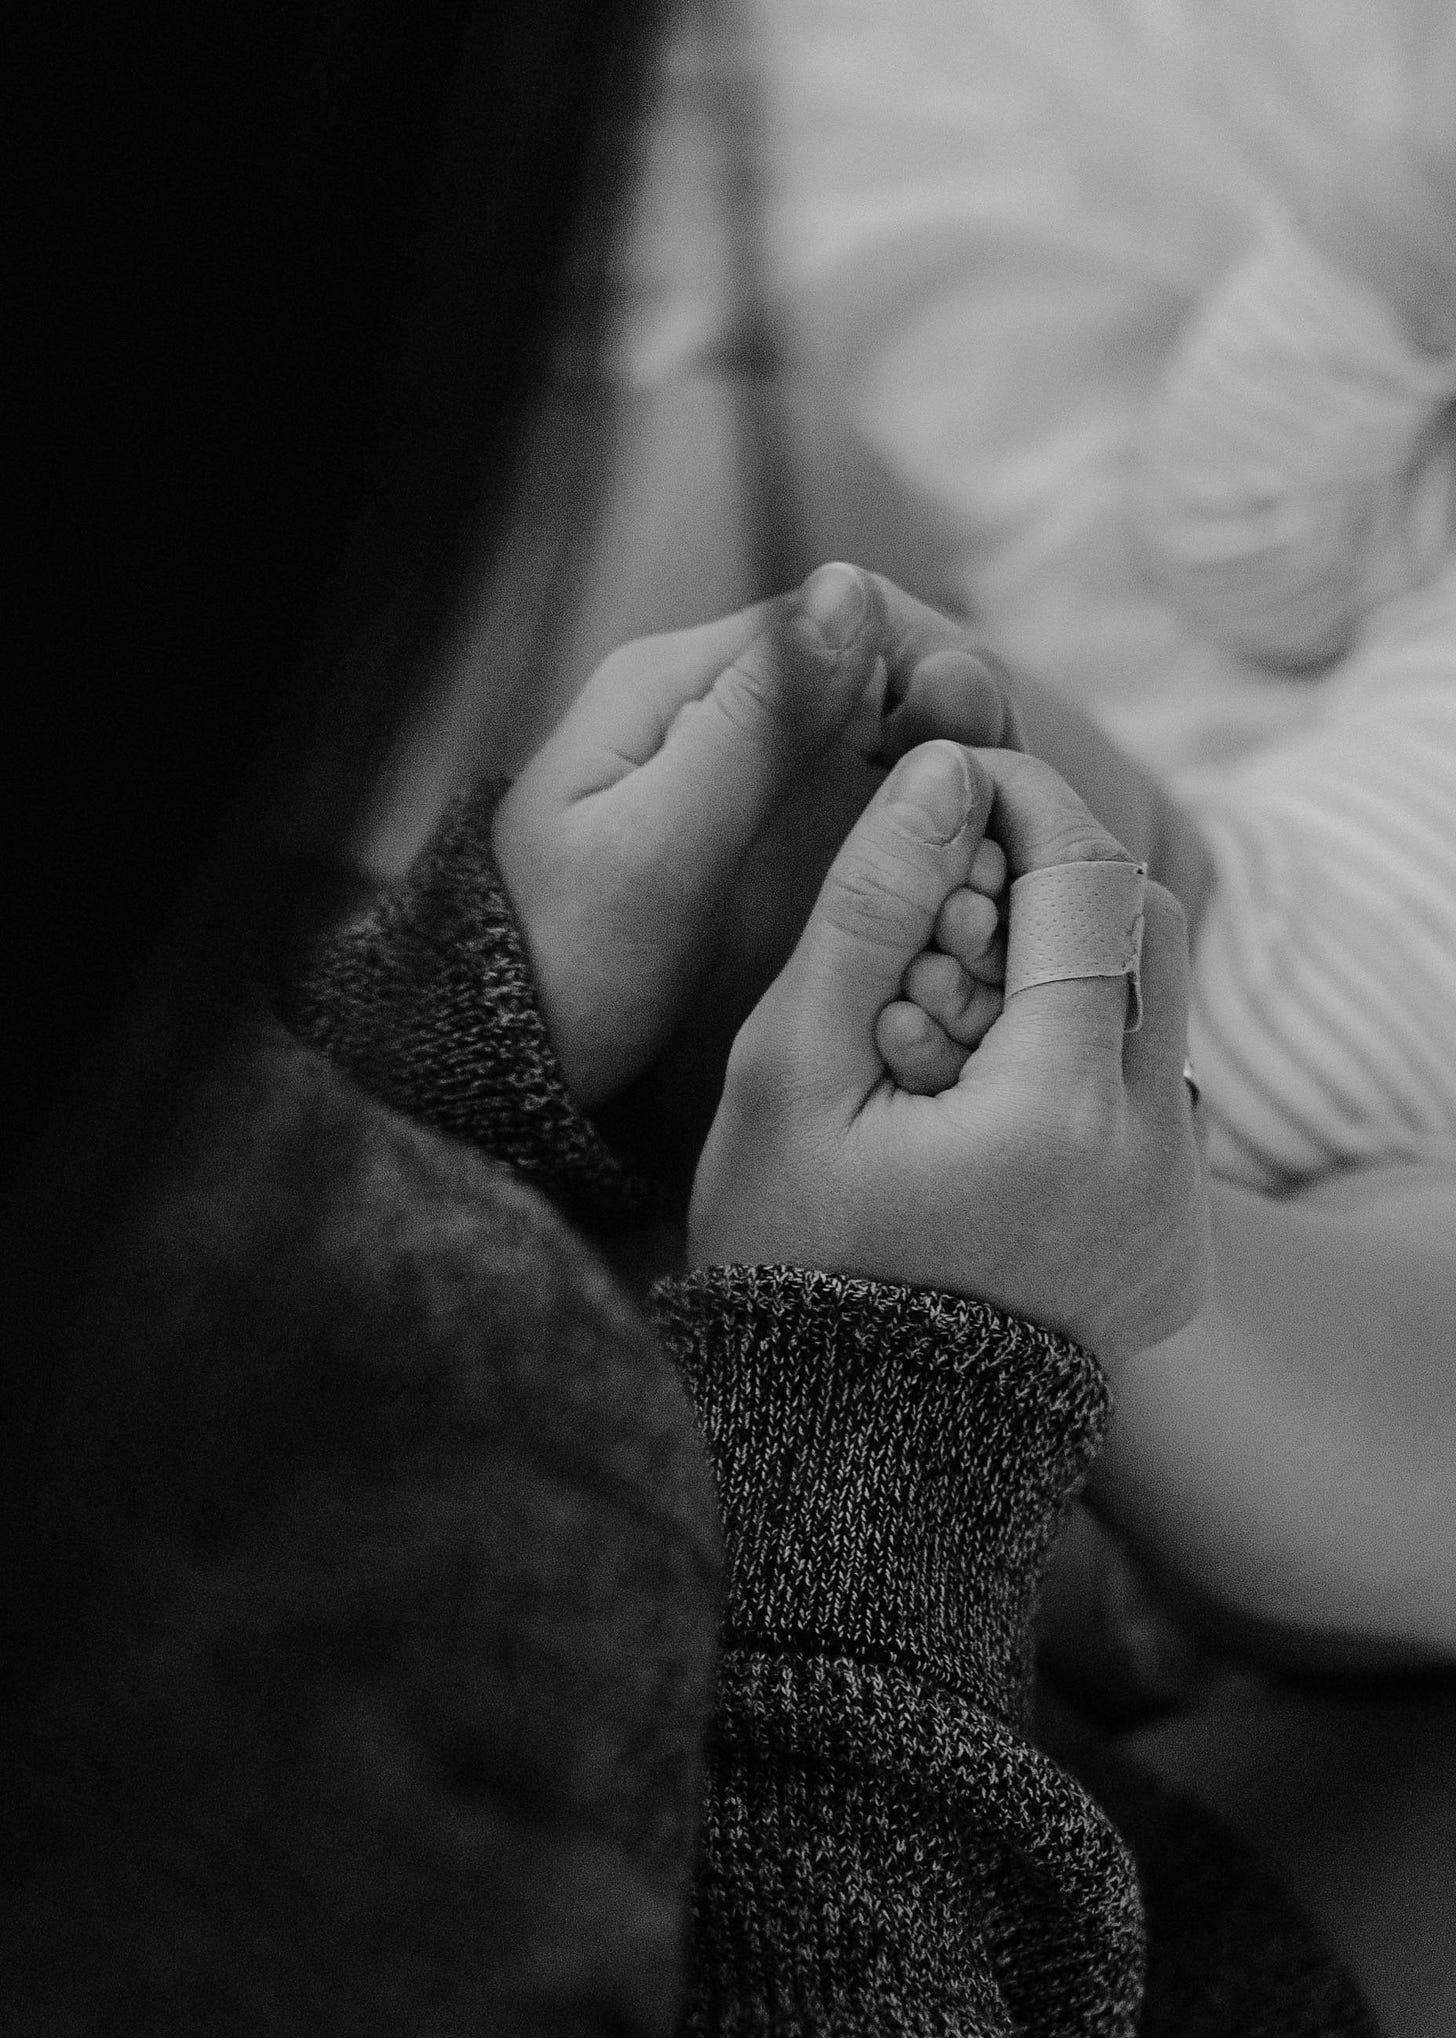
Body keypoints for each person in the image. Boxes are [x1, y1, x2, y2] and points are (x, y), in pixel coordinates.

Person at [2, 6, 1380, 2036]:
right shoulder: (252, 1772)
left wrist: (461, 1016)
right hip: (831, 1765)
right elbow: (1247, 522)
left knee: (755, 511)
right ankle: (1114, 1368)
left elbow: (186, 1156)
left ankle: (1099, 1385)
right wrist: (896, 1401)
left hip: (749, 1482)